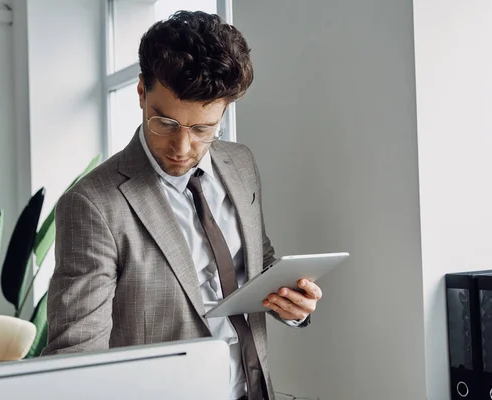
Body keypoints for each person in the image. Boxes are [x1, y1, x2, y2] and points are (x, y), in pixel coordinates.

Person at [41, 10, 323, 400]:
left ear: (224, 111)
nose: (182, 147)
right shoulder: (91, 204)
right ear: (142, 92)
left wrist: (292, 305)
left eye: (203, 129)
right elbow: (77, 356)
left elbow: (258, 264)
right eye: (165, 122)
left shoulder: (240, 164)